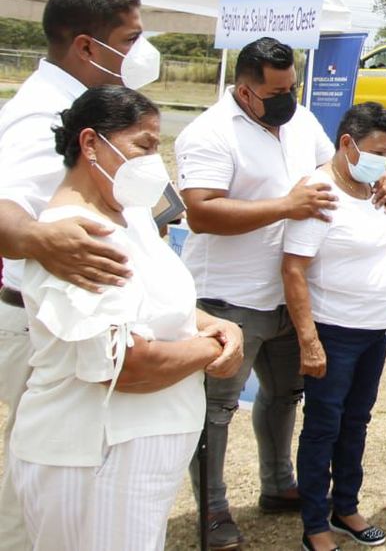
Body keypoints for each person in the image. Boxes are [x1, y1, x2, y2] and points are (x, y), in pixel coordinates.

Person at [176, 37, 386, 549]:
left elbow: (338, 168)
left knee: (285, 397)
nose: (288, 97)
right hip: (230, 297)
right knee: (217, 409)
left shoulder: (299, 121)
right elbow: (202, 213)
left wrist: (383, 172)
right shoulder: (209, 133)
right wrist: (284, 206)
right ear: (245, 90)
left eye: (293, 85)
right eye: (277, 90)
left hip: (293, 294)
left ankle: (279, 485)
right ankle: (212, 510)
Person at [9, 86, 244, 551]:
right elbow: (126, 365)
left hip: (139, 452)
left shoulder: (128, 214)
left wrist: (213, 324)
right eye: (144, 146)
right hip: (93, 457)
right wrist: (212, 348)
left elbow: (156, 300)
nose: (155, 163)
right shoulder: (76, 235)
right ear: (91, 143)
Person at [0, 0, 150, 551]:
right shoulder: (40, 115)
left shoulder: (79, 103)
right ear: (88, 46)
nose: (141, 54)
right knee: (37, 479)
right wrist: (38, 239)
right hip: (43, 325)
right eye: (131, 39)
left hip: (77, 320)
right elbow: (8, 207)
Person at [282, 103, 386, 551]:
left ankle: (346, 506)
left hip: (376, 327)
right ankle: (315, 523)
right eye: (377, 151)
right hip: (334, 330)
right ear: (347, 143)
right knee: (324, 424)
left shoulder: (374, 187)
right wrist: (309, 340)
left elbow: (371, 244)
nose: (384, 162)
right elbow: (294, 270)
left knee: (356, 421)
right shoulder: (318, 191)